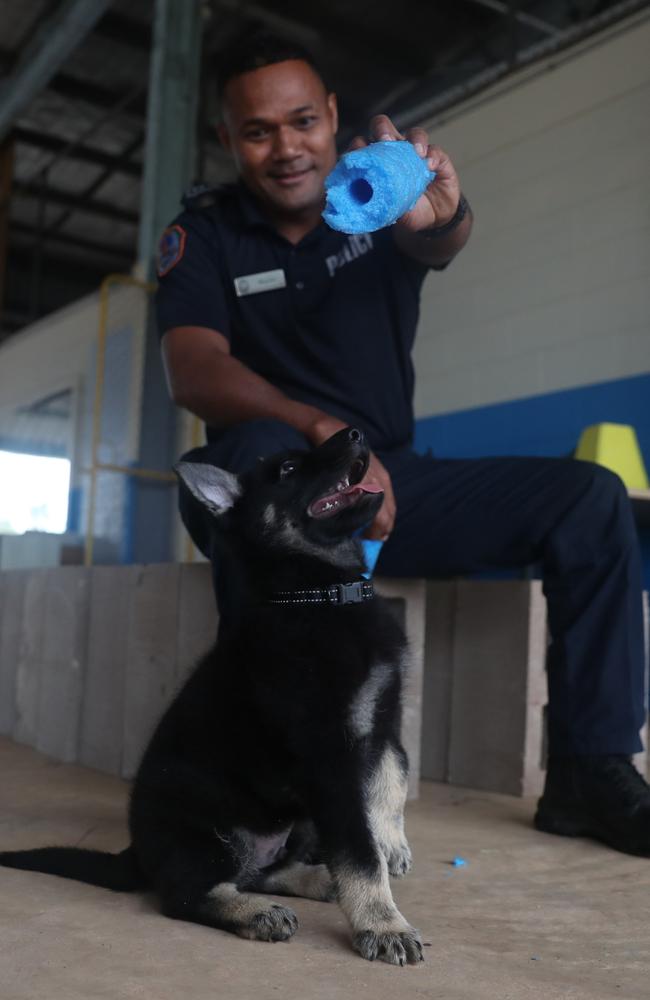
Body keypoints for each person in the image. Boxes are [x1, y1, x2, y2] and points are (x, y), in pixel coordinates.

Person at [155, 34, 650, 857]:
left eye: (303, 121)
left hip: (392, 490)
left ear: (335, 118)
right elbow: (193, 368)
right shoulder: (204, 235)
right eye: (258, 131)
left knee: (592, 498)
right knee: (248, 457)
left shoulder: (377, 198)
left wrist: (446, 211)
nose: (286, 148)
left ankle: (590, 771)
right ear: (228, 139)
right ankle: (287, 787)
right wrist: (323, 436)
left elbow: (435, 240)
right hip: (284, 494)